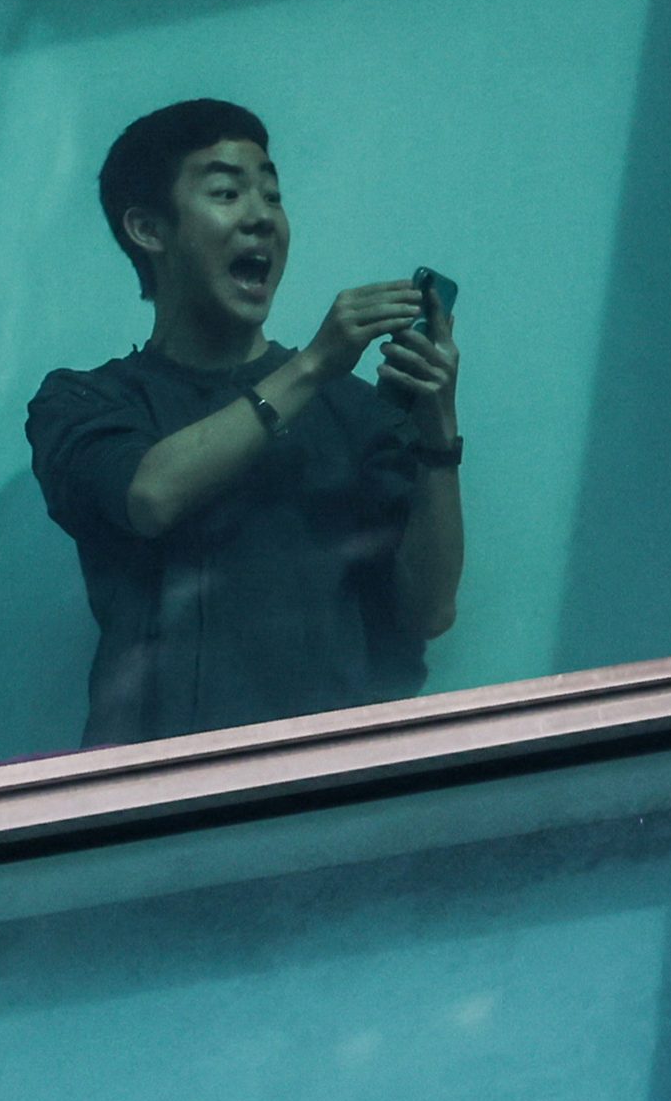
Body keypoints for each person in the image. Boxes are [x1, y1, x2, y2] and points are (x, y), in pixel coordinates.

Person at [27, 99, 466, 747]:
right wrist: (312, 365)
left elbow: (428, 611)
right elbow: (150, 495)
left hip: (334, 775)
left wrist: (437, 438)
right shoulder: (85, 401)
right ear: (148, 229)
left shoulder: (351, 408)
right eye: (227, 193)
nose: (262, 217)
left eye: (273, 195)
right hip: (155, 783)